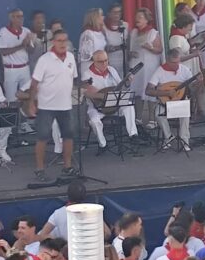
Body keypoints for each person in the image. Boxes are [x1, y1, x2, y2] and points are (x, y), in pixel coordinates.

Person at [28, 28, 78, 182]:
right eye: (59, 40)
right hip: (46, 106)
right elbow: (34, 83)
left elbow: (73, 78)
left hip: (66, 105)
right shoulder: (45, 60)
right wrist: (31, 103)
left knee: (68, 136)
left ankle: (67, 166)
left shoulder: (71, 57)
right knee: (43, 137)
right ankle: (40, 169)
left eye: (65, 40)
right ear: (53, 42)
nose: (63, 43)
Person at [83, 49, 139, 149]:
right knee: (94, 121)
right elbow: (86, 93)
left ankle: (133, 134)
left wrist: (127, 82)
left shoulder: (111, 70)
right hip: (97, 107)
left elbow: (121, 87)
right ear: (94, 61)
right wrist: (102, 96)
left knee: (129, 105)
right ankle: (103, 144)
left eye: (106, 60)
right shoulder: (87, 74)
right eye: (101, 61)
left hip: (114, 105)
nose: (104, 63)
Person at [147, 48, 194, 151]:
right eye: (173, 62)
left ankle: (185, 140)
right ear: (167, 60)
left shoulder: (184, 70)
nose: (176, 65)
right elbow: (148, 91)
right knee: (158, 114)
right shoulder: (160, 71)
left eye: (178, 62)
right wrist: (166, 93)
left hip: (180, 100)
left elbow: (193, 88)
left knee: (185, 113)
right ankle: (168, 136)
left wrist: (199, 82)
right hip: (165, 102)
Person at [130, 7, 164, 126]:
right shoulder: (133, 33)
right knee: (138, 91)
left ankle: (152, 119)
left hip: (149, 66)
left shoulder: (153, 33)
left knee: (150, 92)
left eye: (140, 17)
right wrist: (131, 53)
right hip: (137, 65)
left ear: (146, 19)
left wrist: (150, 48)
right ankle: (138, 118)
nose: (137, 19)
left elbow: (159, 50)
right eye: (136, 17)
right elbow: (130, 48)